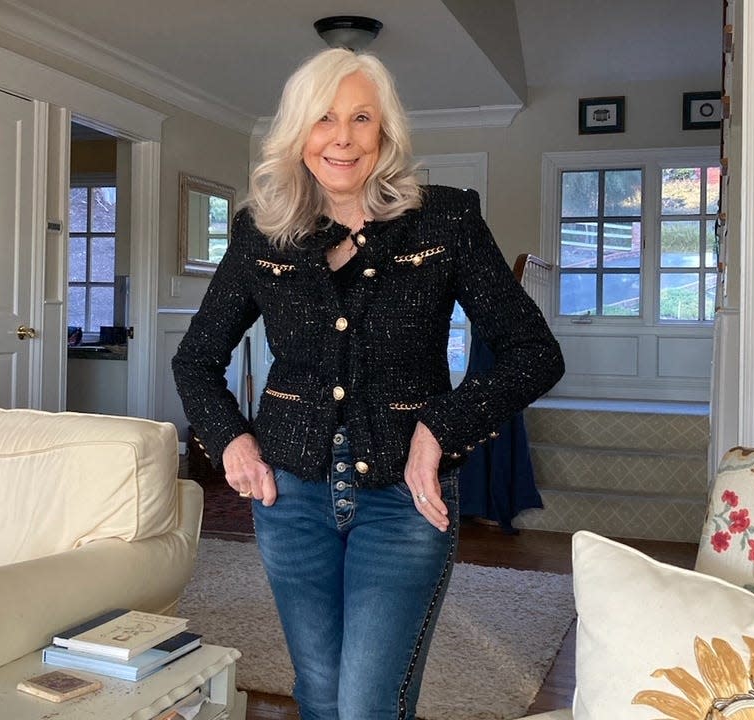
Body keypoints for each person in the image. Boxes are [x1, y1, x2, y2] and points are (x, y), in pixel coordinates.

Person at [172, 48, 564, 720]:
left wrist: (440, 428)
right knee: (320, 693)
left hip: (404, 504)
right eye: (324, 118)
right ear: (298, 132)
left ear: (386, 134)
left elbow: (534, 352)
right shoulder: (261, 232)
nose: (343, 136)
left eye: (361, 118)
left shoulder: (446, 221)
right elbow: (196, 359)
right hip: (290, 497)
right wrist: (231, 441)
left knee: (366, 703)